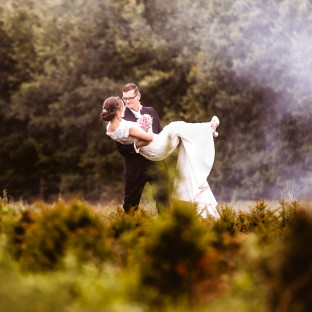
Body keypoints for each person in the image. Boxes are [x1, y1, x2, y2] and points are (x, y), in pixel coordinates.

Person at [101, 95, 220, 219]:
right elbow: (149, 138)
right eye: (123, 104)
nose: (126, 105)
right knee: (176, 126)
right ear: (119, 111)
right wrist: (147, 126)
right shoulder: (127, 127)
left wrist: (140, 132)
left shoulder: (110, 127)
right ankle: (208, 128)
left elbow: (130, 139)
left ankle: (208, 130)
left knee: (178, 131)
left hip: (151, 151)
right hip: (155, 147)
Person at [112, 83, 169, 214]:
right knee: (130, 207)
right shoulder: (121, 117)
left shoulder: (150, 111)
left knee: (164, 203)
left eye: (130, 98)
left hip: (157, 165)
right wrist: (138, 144)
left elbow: (160, 134)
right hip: (135, 168)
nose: (127, 101)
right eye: (124, 98)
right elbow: (121, 149)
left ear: (139, 96)